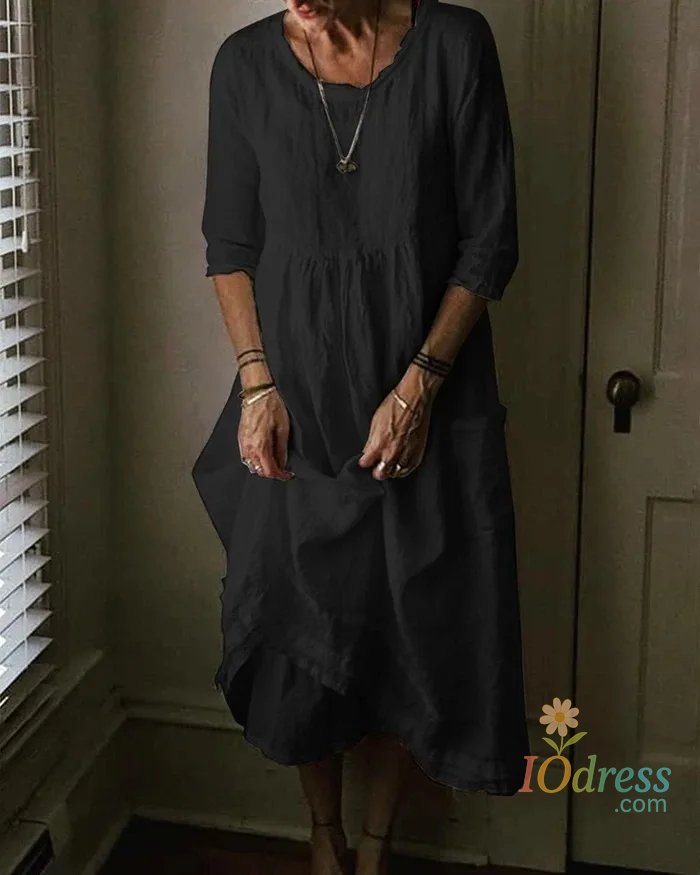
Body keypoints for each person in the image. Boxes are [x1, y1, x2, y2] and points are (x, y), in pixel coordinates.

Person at [191, 0, 530, 872]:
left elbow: (490, 239)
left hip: (428, 399)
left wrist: (419, 387)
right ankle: (324, 834)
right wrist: (257, 382)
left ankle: (376, 845)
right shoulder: (244, 66)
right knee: (299, 628)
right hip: (296, 403)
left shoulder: (455, 46)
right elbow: (229, 244)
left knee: (411, 627)